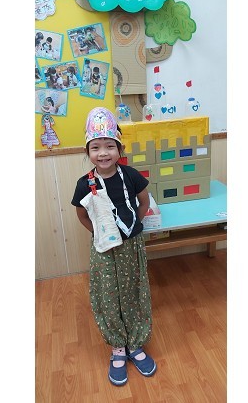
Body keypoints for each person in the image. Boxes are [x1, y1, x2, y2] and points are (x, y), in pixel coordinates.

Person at [71, 107, 157, 387]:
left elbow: (144, 201)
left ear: (119, 149)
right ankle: (118, 346)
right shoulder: (84, 184)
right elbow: (82, 215)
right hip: (104, 250)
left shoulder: (131, 175)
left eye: (110, 146)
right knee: (108, 296)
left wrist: (134, 226)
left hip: (132, 246)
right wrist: (100, 233)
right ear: (88, 151)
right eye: (96, 147)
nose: (103, 153)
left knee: (134, 291)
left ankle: (135, 343)